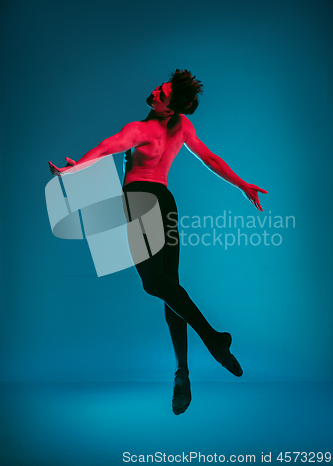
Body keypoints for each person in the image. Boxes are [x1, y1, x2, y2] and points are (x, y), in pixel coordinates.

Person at [49, 69, 268, 415]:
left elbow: (109, 147)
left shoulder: (141, 128)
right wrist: (243, 185)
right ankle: (183, 373)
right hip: (166, 203)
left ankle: (212, 338)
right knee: (169, 288)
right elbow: (208, 157)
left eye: (161, 96)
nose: (153, 94)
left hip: (140, 201)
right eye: (158, 88)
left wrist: (75, 170)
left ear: (169, 109)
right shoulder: (183, 126)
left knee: (156, 284)